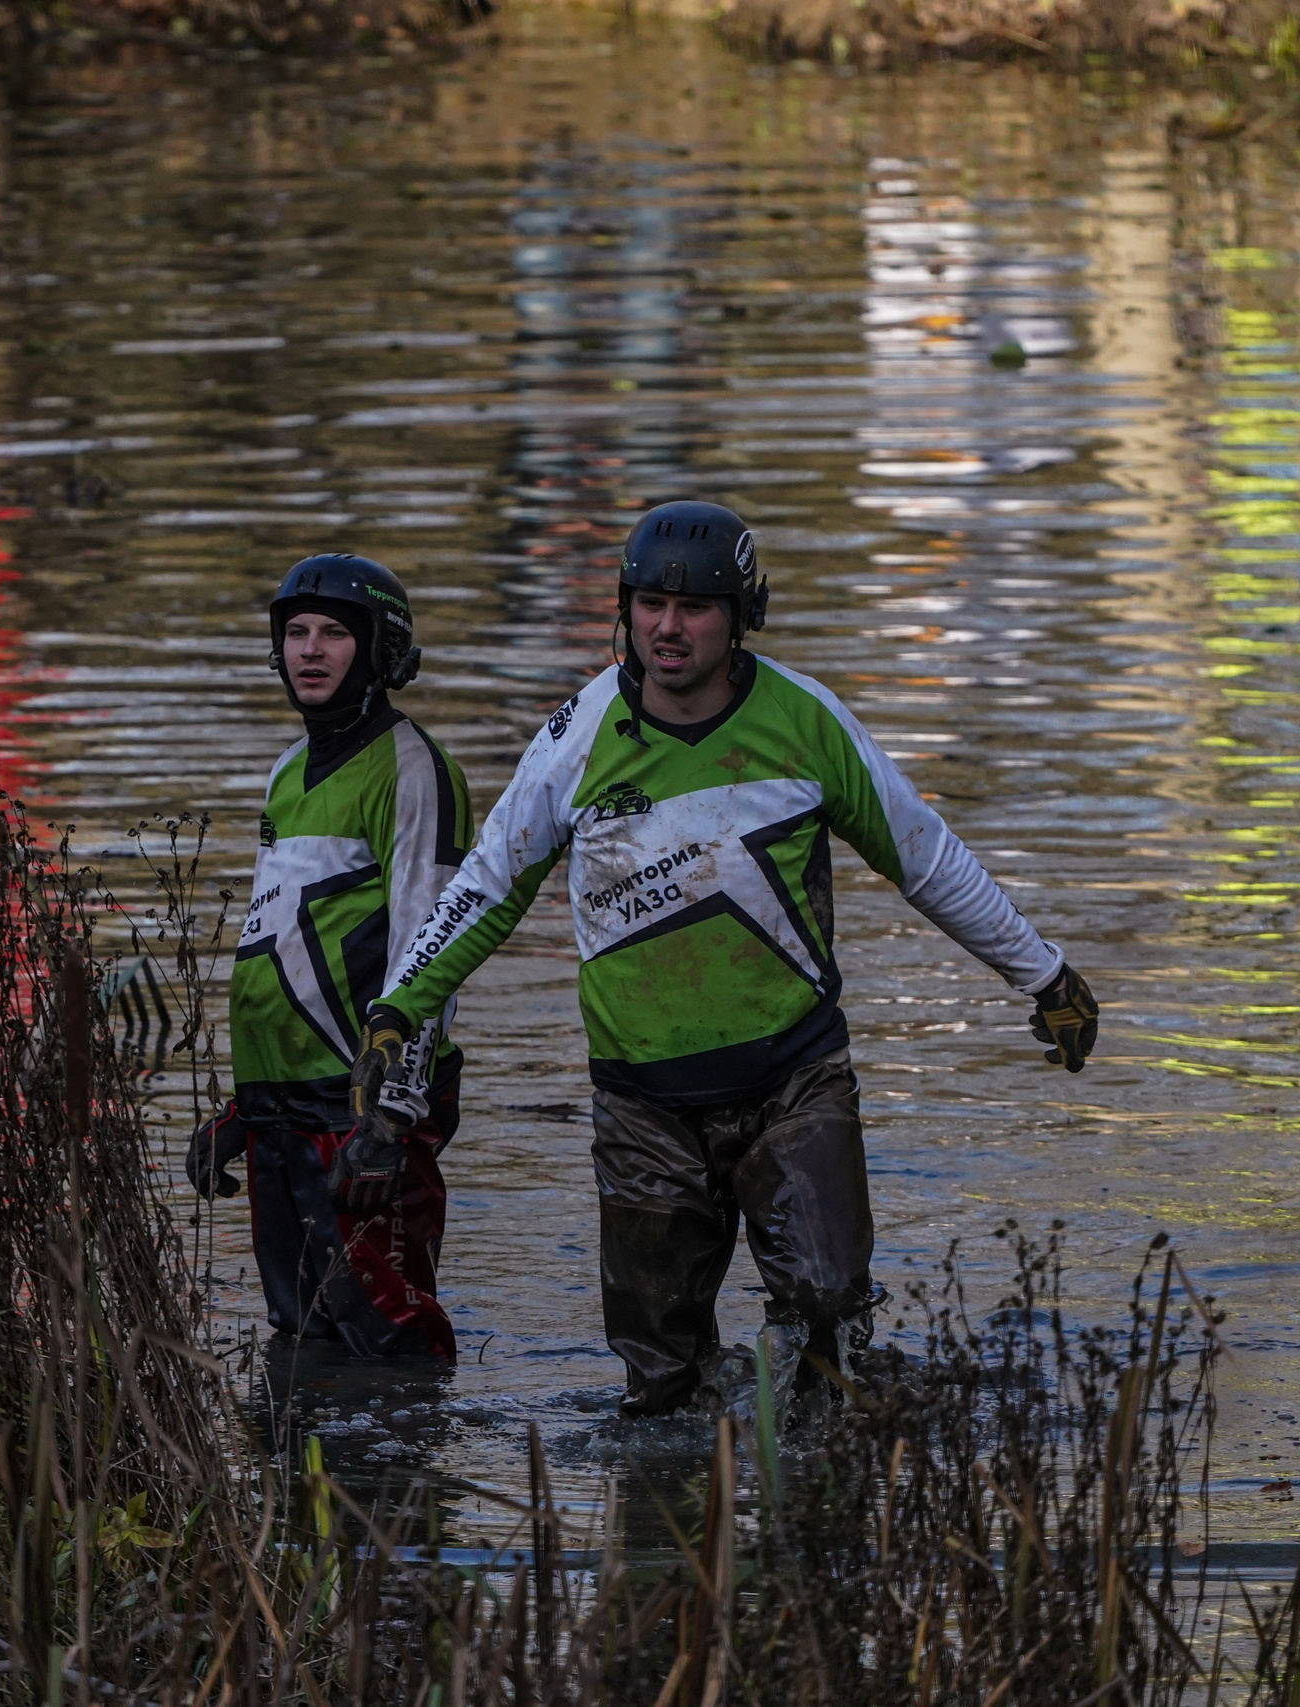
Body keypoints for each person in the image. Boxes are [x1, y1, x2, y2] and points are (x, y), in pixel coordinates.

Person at [334, 501, 1099, 1419]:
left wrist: (1043, 974)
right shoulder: (576, 738)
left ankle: (828, 1473)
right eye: (651, 603)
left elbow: (925, 857)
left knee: (827, 1322)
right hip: (641, 1104)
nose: (669, 626)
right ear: (624, 609)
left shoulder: (805, 719)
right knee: (661, 1391)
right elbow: (487, 886)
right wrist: (398, 1009)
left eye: (695, 607)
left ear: (741, 617)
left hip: (795, 1082)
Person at [187, 553, 474, 1359]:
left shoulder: (415, 769)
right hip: (281, 1113)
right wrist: (244, 1111)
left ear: (382, 649)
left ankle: (415, 1451)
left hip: (362, 1114)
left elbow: (434, 949)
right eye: (296, 632)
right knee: (299, 1337)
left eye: (335, 633)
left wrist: (390, 1119)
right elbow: (277, 937)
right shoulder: (285, 771)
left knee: (390, 1337)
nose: (309, 650)